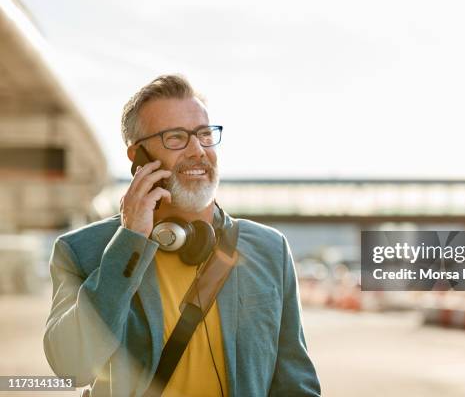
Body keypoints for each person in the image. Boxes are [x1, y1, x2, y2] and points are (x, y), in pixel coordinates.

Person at [43, 74, 321, 397]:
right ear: (139, 158)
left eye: (204, 134)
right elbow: (70, 365)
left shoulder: (270, 250)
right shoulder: (81, 252)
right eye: (176, 137)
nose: (198, 150)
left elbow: (296, 384)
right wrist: (129, 242)